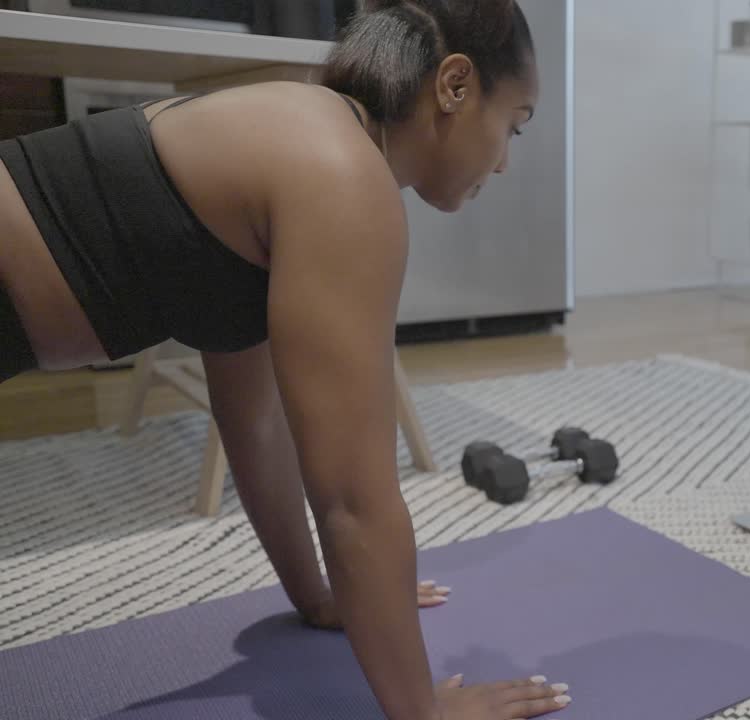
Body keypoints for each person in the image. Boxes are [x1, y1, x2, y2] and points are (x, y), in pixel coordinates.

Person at [0, 1, 570, 718]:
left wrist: (318, 598)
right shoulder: (343, 176)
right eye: (513, 123)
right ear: (455, 85)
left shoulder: (304, 138)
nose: (507, 160)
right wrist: (422, 712)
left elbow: (256, 426)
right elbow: (356, 501)